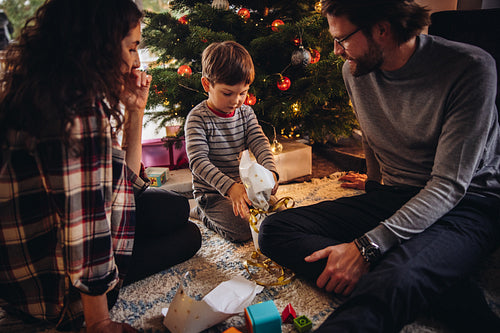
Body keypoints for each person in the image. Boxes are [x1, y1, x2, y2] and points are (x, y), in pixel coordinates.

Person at [259, 0, 500, 332]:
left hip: (468, 203)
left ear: (382, 30)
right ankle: (420, 282)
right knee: (274, 229)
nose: (336, 51)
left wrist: (367, 247)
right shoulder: (356, 71)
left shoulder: (470, 67)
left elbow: (448, 186)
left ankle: (403, 279)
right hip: (397, 194)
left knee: (398, 274)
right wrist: (373, 188)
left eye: (342, 39)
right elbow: (373, 136)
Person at [0, 0, 201, 332]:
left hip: (18, 275)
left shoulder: (35, 86)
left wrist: (135, 112)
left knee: (176, 208)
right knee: (189, 234)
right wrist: (99, 321)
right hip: (56, 292)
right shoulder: (79, 112)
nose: (137, 61)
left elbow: (126, 182)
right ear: (100, 44)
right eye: (132, 48)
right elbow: (85, 227)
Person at [185, 41, 279, 242]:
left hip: (243, 187)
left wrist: (271, 172)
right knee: (244, 229)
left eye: (243, 93)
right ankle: (203, 214)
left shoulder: (245, 113)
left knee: (275, 215)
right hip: (212, 194)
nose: (237, 100)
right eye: (228, 93)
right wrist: (230, 188)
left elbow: (260, 142)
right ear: (206, 84)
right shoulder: (197, 118)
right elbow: (198, 162)